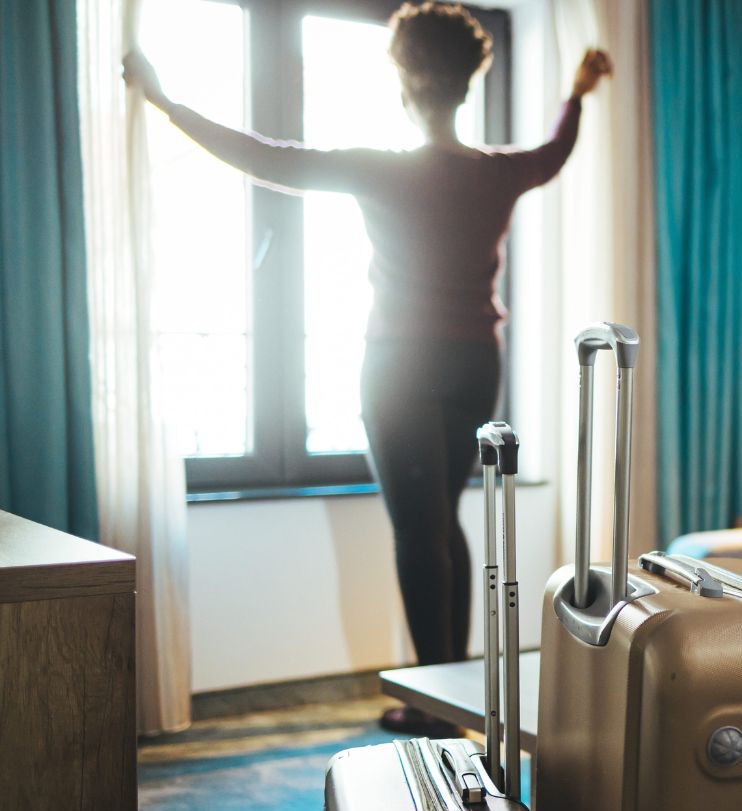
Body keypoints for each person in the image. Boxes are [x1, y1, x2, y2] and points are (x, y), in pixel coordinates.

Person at [124, 2, 612, 737]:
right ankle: (451, 692)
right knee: (443, 521)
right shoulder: (497, 173)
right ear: (465, 86)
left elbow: (267, 156)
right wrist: (576, 93)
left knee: (420, 531)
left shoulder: (378, 168)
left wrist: (166, 103)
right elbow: (553, 152)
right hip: (476, 362)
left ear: (405, 86)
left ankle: (437, 707)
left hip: (399, 364)